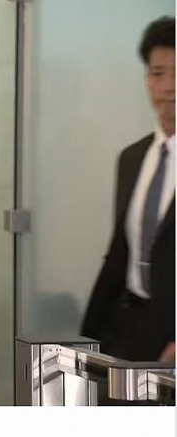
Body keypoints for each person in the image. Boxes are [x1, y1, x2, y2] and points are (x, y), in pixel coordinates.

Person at [81, 16, 175, 365]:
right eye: (158, 73)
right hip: (123, 327)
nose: (169, 86)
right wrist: (90, 336)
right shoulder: (132, 158)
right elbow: (121, 251)